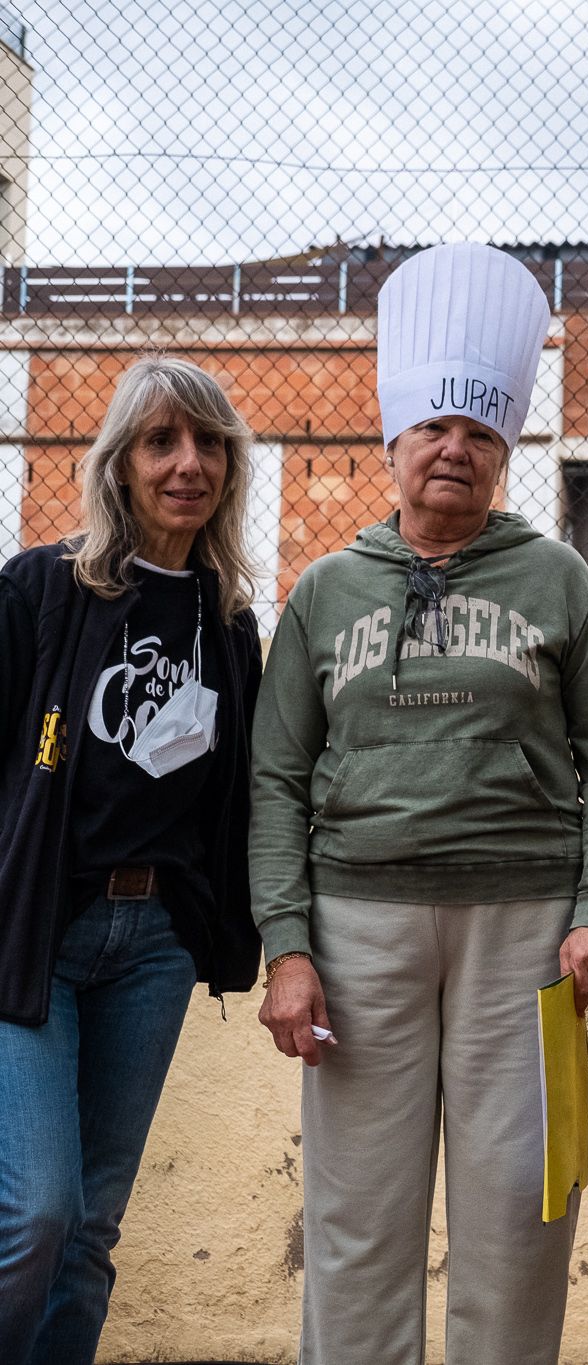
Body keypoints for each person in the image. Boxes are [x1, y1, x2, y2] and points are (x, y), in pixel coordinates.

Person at [248, 242, 588, 1365]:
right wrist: (288, 946)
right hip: (358, 929)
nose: (455, 452)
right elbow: (275, 781)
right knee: (357, 1225)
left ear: (503, 449)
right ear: (394, 442)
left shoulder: (557, 579)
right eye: (435, 430)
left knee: (521, 1218)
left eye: (479, 434)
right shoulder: (326, 591)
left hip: (525, 936)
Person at [0, 355, 264, 1364]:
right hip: (39, 934)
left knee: (91, 1233)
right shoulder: (41, 591)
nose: (187, 464)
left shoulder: (230, 628)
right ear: (121, 464)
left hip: (153, 945)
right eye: (162, 441)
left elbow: (245, 795)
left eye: (208, 445)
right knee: (36, 1216)